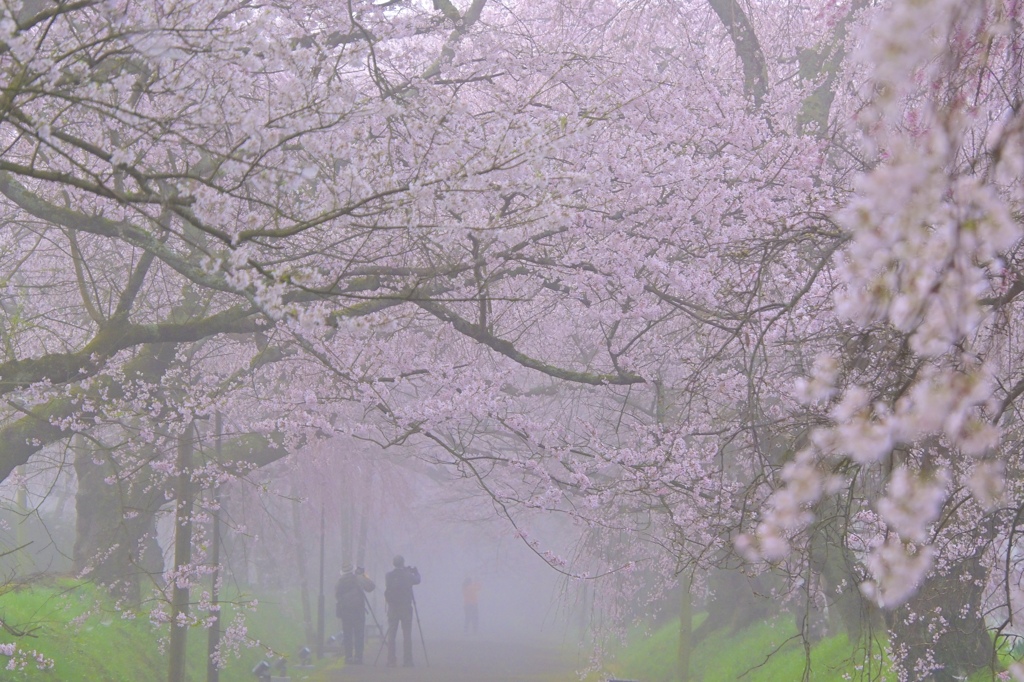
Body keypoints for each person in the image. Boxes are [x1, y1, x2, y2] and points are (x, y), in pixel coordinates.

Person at [384, 554, 421, 667]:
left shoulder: (388, 575)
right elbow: (418, 580)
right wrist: (415, 572)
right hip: (405, 608)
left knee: (392, 635)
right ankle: (408, 661)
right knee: (407, 635)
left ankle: (391, 660)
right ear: (403, 563)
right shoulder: (408, 575)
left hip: (393, 608)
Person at [335, 561, 375, 664]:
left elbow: (337, 595)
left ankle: (348, 657)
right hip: (358, 611)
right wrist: (363, 575)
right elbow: (371, 587)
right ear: (352, 569)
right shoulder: (358, 578)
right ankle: (358, 657)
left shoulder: (340, 581)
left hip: (345, 612)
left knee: (347, 634)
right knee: (359, 634)